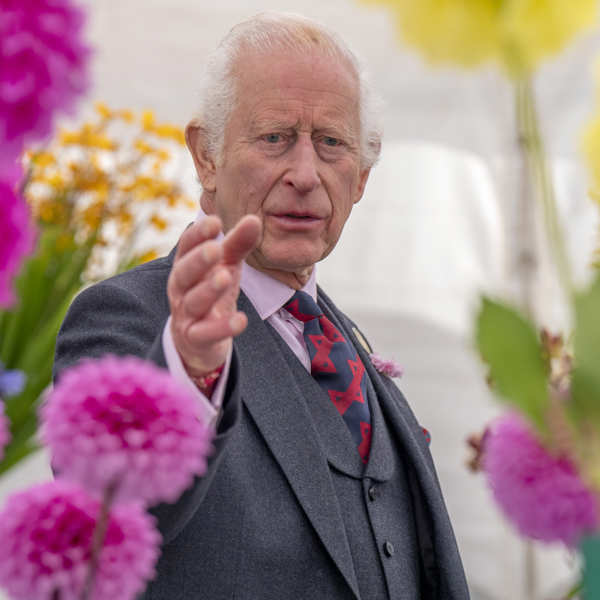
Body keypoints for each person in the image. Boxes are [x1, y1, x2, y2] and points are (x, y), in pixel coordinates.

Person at [54, 12, 469, 600]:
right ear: (206, 156)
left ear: (363, 177)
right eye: (275, 137)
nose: (305, 173)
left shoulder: (341, 336)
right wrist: (189, 371)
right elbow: (95, 523)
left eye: (331, 143)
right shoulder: (127, 317)